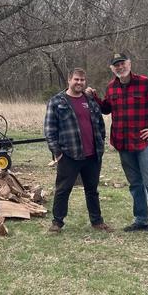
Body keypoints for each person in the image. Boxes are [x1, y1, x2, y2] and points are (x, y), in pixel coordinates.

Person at [92, 52, 148, 242]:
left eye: (122, 63)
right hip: (123, 143)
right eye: (116, 65)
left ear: (130, 63)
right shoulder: (111, 87)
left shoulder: (146, 83)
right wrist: (94, 97)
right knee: (135, 184)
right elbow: (106, 108)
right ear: (112, 69)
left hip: (143, 143)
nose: (120, 67)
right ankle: (142, 220)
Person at [43, 67, 110, 233]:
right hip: (69, 155)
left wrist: (101, 141)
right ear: (69, 80)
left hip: (92, 155)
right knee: (63, 190)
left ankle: (97, 221)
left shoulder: (90, 100)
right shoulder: (57, 101)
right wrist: (57, 153)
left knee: (92, 190)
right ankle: (57, 223)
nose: (79, 83)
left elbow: (100, 124)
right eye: (76, 79)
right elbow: (49, 131)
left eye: (82, 80)